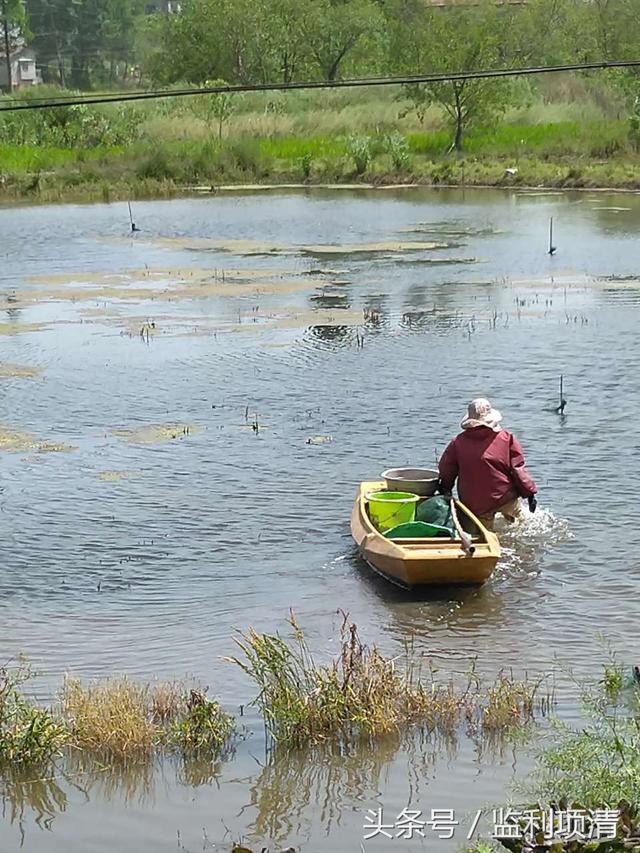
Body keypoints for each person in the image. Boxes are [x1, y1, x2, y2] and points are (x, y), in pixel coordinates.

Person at [438, 398, 538, 530]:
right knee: (522, 523)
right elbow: (518, 469)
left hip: (477, 503)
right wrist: (530, 493)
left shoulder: (457, 443)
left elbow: (446, 470)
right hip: (505, 496)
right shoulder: (507, 438)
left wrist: (445, 489)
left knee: (483, 534)